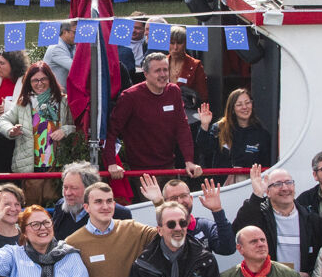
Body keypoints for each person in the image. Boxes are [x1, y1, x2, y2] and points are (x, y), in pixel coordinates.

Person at [109, 53, 202, 182]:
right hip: (141, 172)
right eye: (157, 71)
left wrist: (189, 160)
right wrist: (111, 163)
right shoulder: (130, 97)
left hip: (169, 167)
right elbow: (112, 130)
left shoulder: (174, 91)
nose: (163, 74)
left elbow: (182, 128)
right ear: (146, 74)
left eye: (165, 70)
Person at [1, 62, 73, 206]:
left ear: (50, 80)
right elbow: (4, 119)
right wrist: (11, 130)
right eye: (35, 80)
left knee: (56, 206)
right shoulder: (23, 103)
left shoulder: (63, 102)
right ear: (29, 82)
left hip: (57, 166)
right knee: (31, 209)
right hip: (31, 167)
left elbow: (75, 126)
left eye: (43, 79)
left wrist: (65, 131)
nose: (39, 83)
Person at [234, 167, 322, 277]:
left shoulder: (312, 220)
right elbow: (238, 229)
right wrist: (257, 195)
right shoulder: (260, 216)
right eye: (277, 184)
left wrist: (308, 276)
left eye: (289, 182)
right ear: (267, 192)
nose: (285, 188)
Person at [137, 174, 236, 260]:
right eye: (174, 198)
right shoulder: (162, 231)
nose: (180, 201)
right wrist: (159, 204)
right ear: (166, 202)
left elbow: (228, 249)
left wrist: (217, 211)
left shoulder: (205, 226)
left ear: (191, 198)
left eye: (183, 196)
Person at [54, 162, 131, 240]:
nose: (67, 193)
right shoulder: (60, 207)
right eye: (65, 187)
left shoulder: (118, 214)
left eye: (74, 188)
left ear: (89, 189)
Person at [201, 88, 270, 173]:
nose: (244, 107)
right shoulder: (220, 128)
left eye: (247, 103)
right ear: (232, 109)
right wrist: (204, 125)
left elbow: (266, 164)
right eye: (239, 104)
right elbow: (204, 151)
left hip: (250, 183)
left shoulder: (261, 134)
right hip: (224, 184)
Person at [167, 25, 209, 101]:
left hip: (187, 109)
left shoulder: (195, 65)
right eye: (172, 43)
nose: (175, 47)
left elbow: (203, 96)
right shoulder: (160, 63)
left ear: (185, 43)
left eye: (179, 43)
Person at [0, 51, 27, 116]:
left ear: (14, 66)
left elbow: (29, 111)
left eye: (1, 63)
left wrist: (8, 109)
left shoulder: (26, 84)